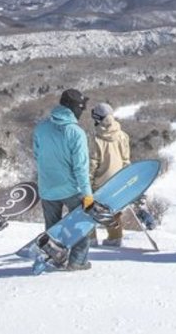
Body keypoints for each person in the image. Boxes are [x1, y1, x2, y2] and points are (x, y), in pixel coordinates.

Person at [33, 88, 94, 271]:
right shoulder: (76, 132)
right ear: (75, 108)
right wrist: (87, 194)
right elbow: (81, 167)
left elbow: (37, 155)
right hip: (71, 189)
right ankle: (77, 261)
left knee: (53, 229)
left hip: (47, 187)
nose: (82, 111)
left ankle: (56, 259)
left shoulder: (41, 128)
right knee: (82, 225)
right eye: (81, 107)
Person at [89, 102, 131, 247]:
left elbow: (93, 162)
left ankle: (90, 238)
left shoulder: (96, 138)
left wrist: (87, 182)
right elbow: (126, 160)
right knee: (114, 210)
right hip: (118, 180)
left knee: (89, 209)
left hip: (100, 182)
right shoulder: (122, 136)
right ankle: (115, 237)